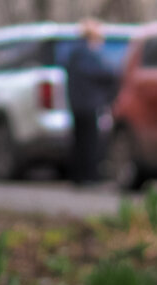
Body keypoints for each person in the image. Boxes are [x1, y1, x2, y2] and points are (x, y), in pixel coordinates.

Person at [64, 19, 118, 185]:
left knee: (80, 140)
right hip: (87, 104)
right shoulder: (86, 53)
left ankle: (79, 175)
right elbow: (101, 73)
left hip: (77, 103)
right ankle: (89, 175)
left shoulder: (74, 52)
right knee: (89, 141)